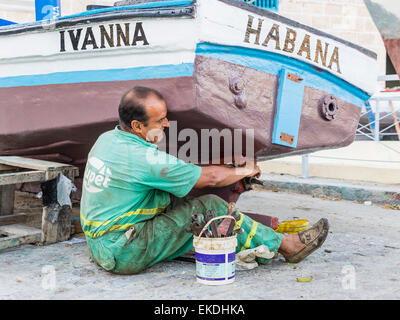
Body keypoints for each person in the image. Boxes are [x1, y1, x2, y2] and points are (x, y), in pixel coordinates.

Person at [80, 86, 329, 275]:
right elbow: (209, 178)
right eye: (160, 121)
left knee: (174, 195)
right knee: (210, 208)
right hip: (123, 251)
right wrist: (245, 170)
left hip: (102, 244)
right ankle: (287, 246)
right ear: (137, 125)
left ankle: (250, 242)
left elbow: (174, 169)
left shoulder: (109, 140)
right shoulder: (141, 157)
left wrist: (226, 159)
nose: (167, 124)